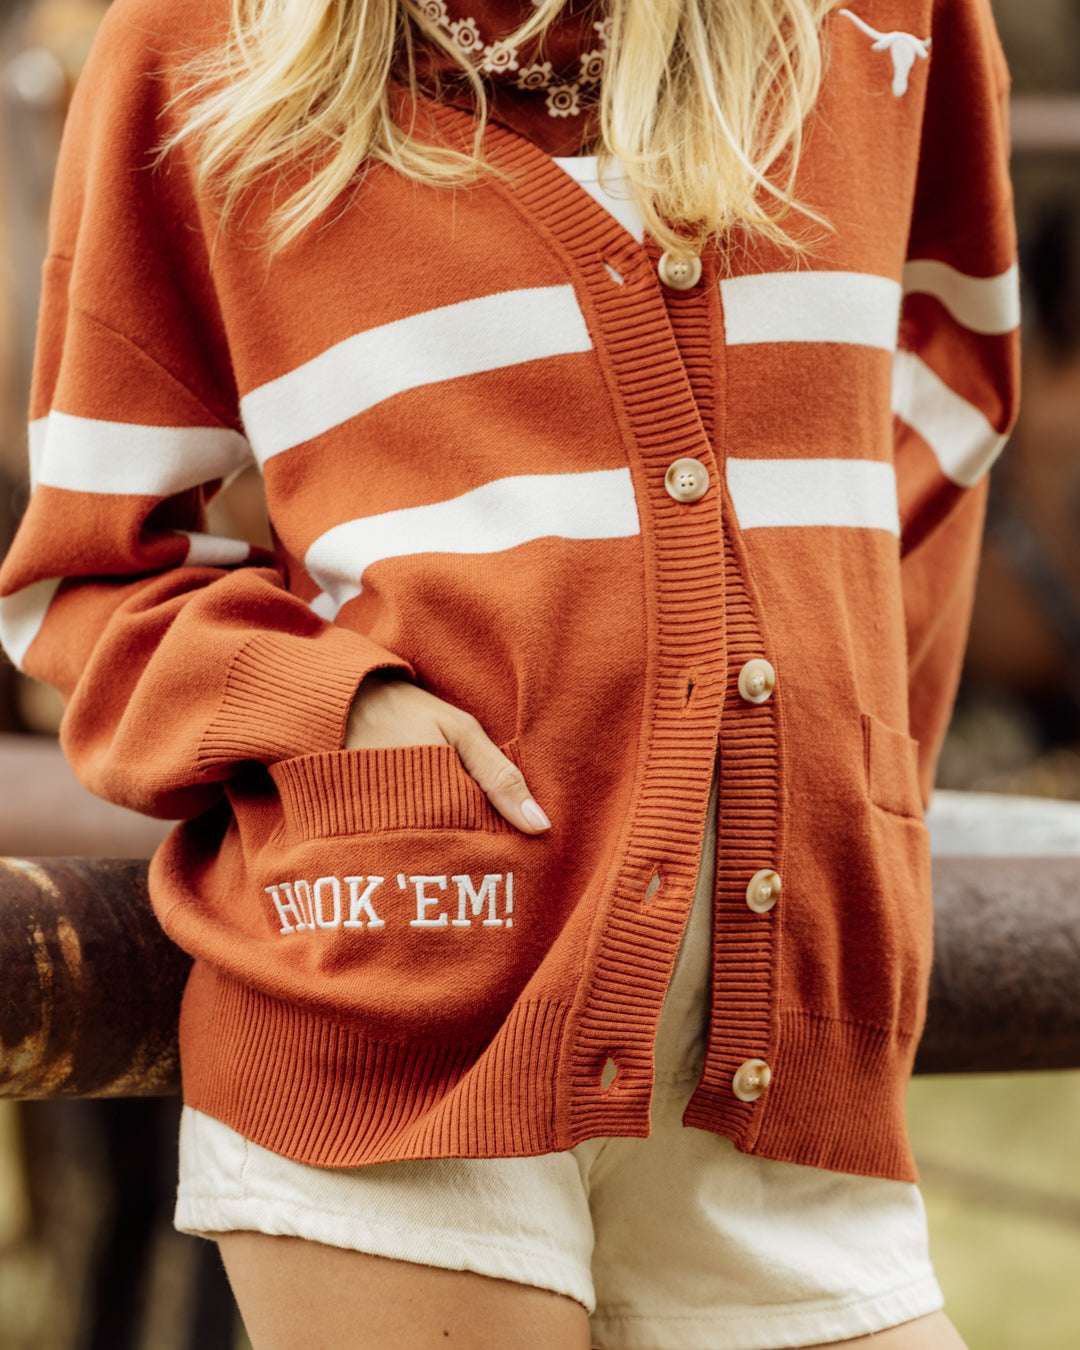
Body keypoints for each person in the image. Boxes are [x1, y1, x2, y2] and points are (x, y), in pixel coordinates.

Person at [0, 0, 1021, 1345]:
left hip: (790, 1062)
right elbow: (94, 570)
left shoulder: (894, 28)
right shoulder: (195, 42)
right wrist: (340, 710)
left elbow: (940, 431)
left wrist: (852, 795)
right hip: (398, 1019)